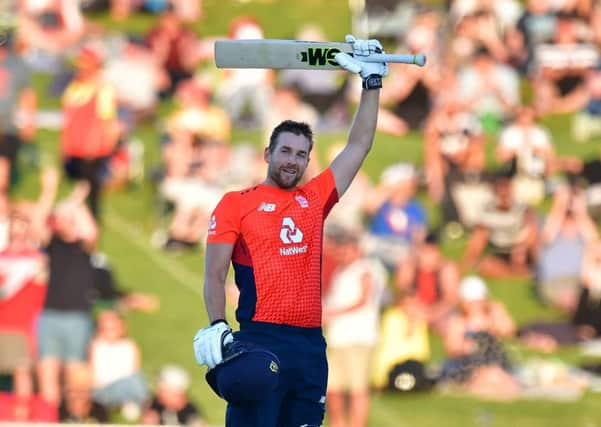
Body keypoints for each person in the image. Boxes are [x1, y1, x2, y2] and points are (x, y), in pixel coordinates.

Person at [192, 34, 388, 427]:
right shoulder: (237, 203)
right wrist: (217, 323)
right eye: (285, 151)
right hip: (259, 340)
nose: (292, 161)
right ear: (268, 153)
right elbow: (214, 272)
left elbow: (359, 145)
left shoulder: (315, 199)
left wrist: (371, 84)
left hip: (309, 345)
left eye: (301, 155)